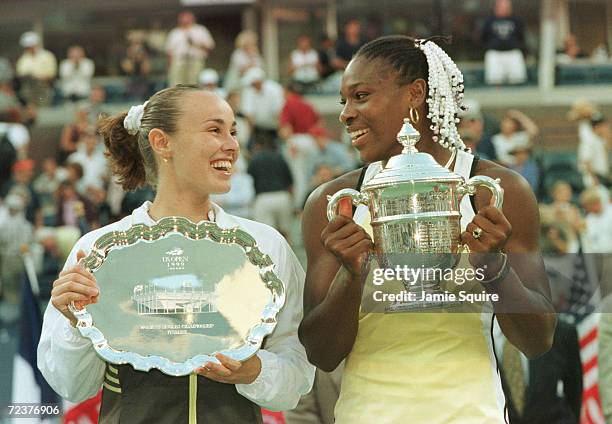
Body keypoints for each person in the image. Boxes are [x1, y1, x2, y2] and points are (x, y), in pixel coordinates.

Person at [299, 35, 556, 423]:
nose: (346, 113)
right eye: (343, 101)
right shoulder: (335, 202)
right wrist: (352, 276)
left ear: (415, 94)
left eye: (361, 96)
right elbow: (320, 353)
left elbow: (537, 341)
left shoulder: (496, 191)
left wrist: (492, 269)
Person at [37, 85, 314, 423]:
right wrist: (75, 323)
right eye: (214, 130)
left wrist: (252, 370)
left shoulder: (264, 246)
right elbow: (71, 386)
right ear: (161, 142)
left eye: (233, 131)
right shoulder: (99, 250)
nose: (232, 144)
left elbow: (297, 376)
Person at [482, 0, 527, 85]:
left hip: (513, 53)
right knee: (495, 81)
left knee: (517, 80)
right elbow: (484, 36)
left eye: (507, 6)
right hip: (495, 53)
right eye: (502, 6)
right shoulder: (489, 21)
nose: (504, 9)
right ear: (496, 7)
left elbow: (521, 36)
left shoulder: (516, 20)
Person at [165, 11, 215, 86]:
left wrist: (195, 44)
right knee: (176, 84)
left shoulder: (200, 30)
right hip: (179, 60)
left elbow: (210, 47)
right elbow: (169, 51)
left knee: (194, 84)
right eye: (183, 18)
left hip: (195, 60)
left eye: (187, 18)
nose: (185, 20)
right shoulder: (175, 32)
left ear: (193, 19)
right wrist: (169, 66)